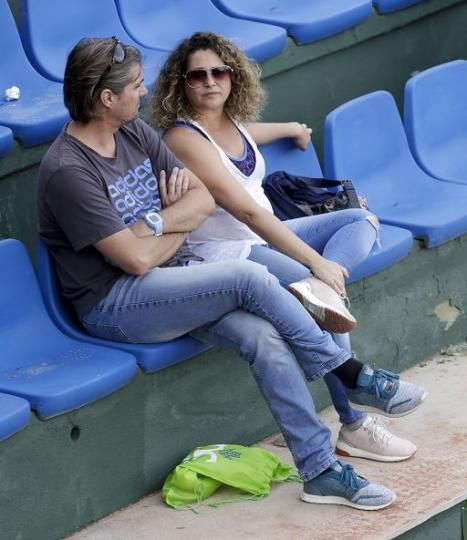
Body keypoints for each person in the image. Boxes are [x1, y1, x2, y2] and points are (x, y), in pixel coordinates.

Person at [38, 36, 426, 511]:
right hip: (115, 302)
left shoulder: (132, 132)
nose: (144, 94)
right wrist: (177, 221)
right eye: (136, 86)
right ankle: (349, 373)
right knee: (248, 276)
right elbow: (134, 262)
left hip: (175, 279)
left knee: (264, 338)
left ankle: (320, 470)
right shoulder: (68, 170)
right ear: (106, 98)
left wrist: (159, 222)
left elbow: (200, 202)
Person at [152, 31, 418, 465]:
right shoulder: (181, 138)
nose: (209, 82)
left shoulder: (232, 124)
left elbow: (247, 134)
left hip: (266, 235)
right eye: (196, 76)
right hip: (229, 251)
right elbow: (249, 214)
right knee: (319, 294)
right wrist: (315, 263)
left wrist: (293, 129)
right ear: (181, 84)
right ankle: (352, 421)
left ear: (234, 76)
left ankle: (323, 293)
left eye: (218, 71)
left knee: (360, 220)